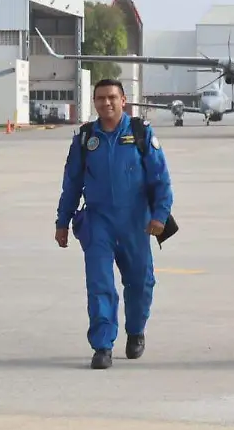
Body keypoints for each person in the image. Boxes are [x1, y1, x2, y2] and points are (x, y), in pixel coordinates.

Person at [55, 78, 174, 369]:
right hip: (99, 222)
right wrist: (62, 221)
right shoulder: (85, 139)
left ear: (123, 100)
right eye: (100, 98)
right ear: (94, 102)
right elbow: (71, 183)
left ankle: (135, 331)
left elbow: (161, 179)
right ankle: (103, 346)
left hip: (136, 222)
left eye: (111, 97)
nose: (106, 103)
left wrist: (160, 215)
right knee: (100, 285)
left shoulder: (140, 134)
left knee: (141, 283)